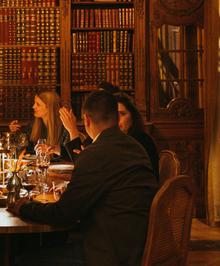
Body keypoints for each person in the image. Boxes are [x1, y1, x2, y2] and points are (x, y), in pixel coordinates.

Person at [10, 90, 158, 266]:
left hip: (114, 254)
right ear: (116, 118)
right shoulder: (135, 146)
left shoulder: (95, 153)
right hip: (142, 244)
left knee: (27, 259)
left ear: (86, 120)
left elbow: (63, 215)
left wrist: (23, 206)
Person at [9, 90, 77, 160]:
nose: (33, 106)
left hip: (62, 169)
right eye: (34, 103)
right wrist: (14, 134)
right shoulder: (31, 127)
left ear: (49, 107)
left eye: (38, 104)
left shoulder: (65, 127)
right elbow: (19, 154)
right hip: (36, 167)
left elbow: (73, 156)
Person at [115, 92, 160, 179]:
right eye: (114, 114)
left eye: (122, 114)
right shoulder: (110, 138)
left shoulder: (143, 140)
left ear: (132, 117)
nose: (117, 119)